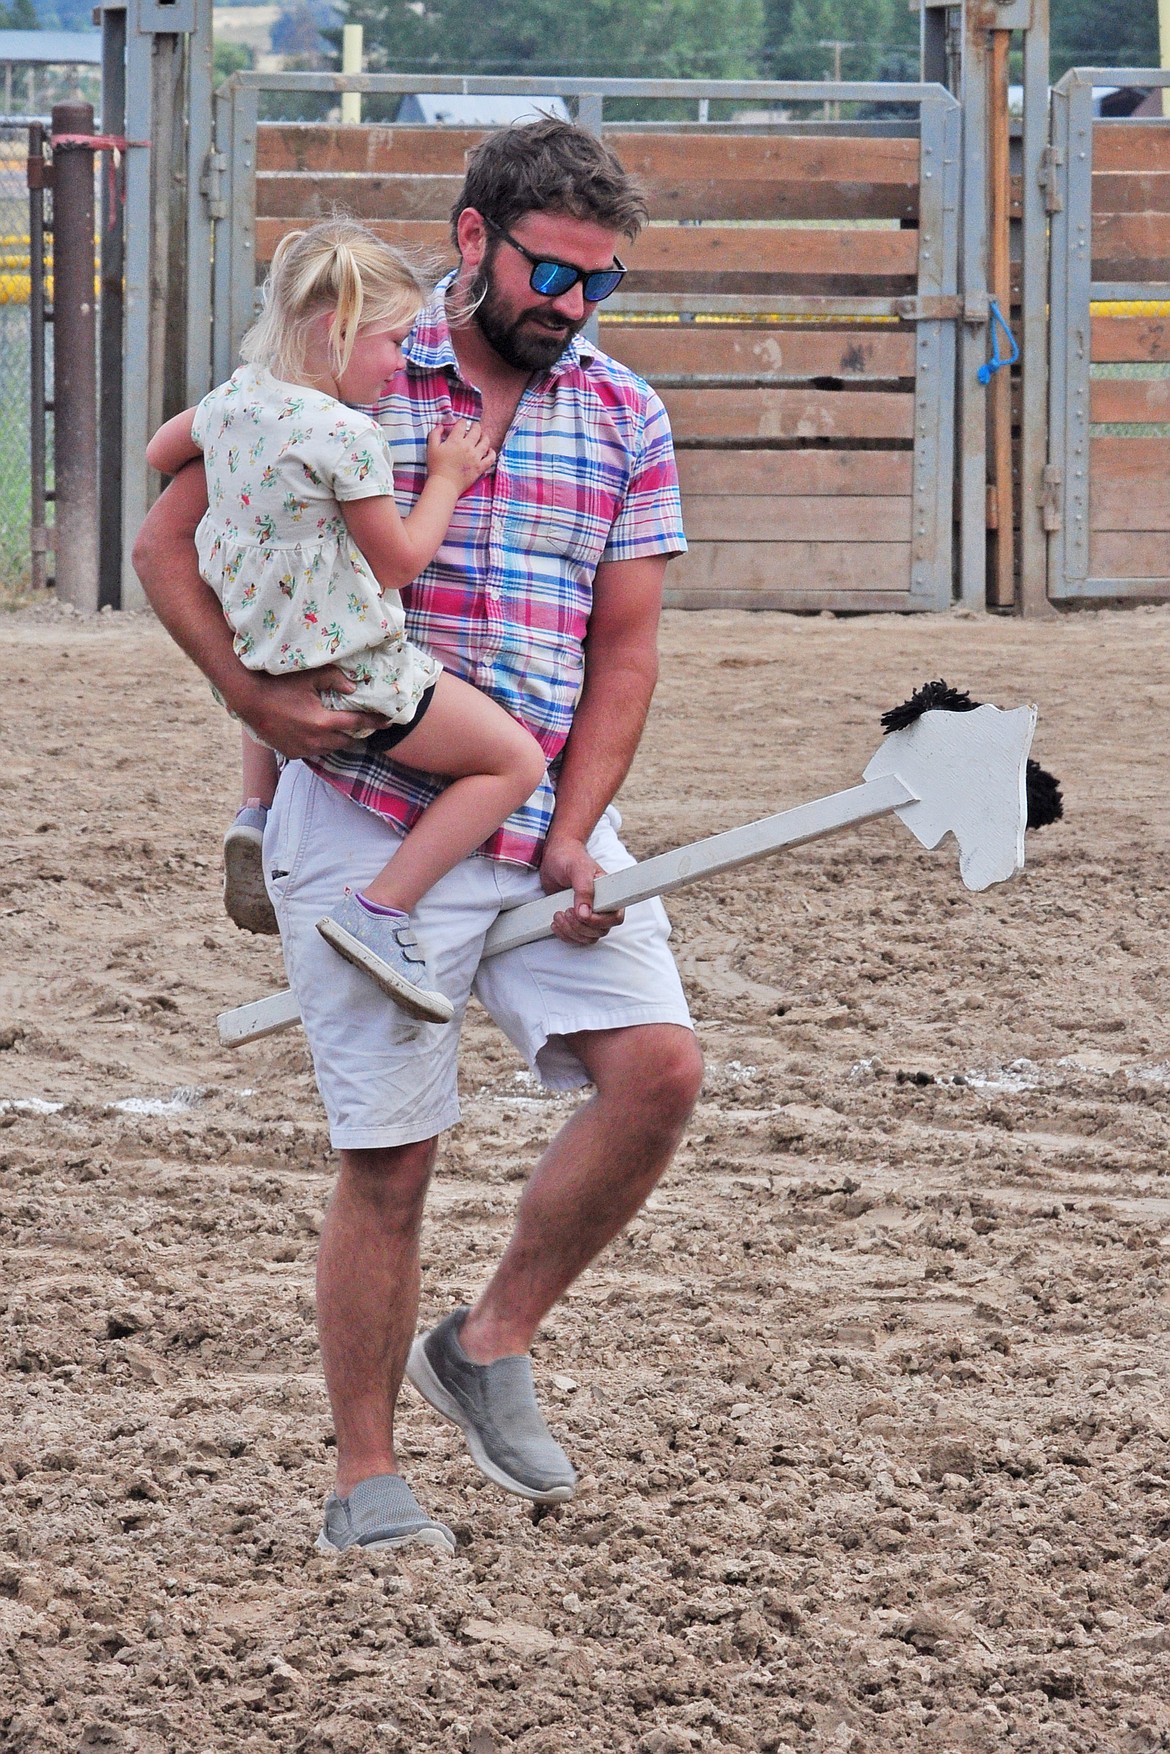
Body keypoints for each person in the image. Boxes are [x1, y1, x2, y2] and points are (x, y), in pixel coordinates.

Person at [134, 117, 705, 1559]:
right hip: (368, 803)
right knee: (391, 1156)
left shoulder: (624, 415)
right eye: (550, 271)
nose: (570, 305)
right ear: (471, 238)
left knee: (656, 1074)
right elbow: (171, 538)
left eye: (599, 282)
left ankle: (489, 1336)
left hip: (537, 808)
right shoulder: (346, 375)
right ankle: (365, 1479)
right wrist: (253, 701)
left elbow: (622, 655)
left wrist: (577, 835)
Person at [146, 219, 546, 1023]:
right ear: (336, 332)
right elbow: (398, 562)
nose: (402, 364)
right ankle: (381, 908)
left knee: (280, 631)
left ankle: (254, 815)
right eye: (393, 342)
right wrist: (446, 476)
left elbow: (161, 454)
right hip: (357, 670)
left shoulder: (233, 401)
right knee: (514, 765)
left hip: (261, 651)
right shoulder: (347, 435)